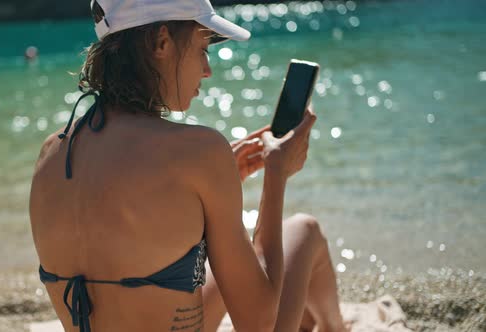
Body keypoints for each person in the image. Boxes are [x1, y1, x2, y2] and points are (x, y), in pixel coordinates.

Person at [29, 0, 347, 331]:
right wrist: (276, 174)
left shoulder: (53, 150)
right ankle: (336, 328)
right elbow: (258, 325)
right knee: (304, 230)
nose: (207, 69)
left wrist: (209, 195)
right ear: (161, 43)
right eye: (202, 48)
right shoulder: (199, 151)